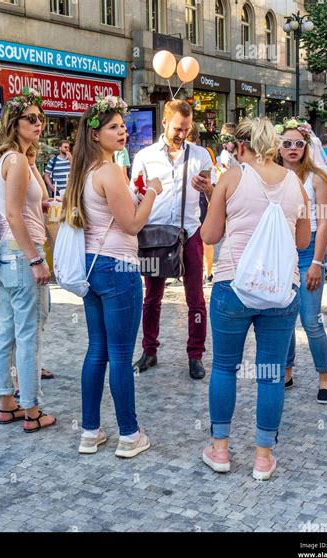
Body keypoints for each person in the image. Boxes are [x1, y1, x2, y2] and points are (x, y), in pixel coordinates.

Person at [201, 117, 311, 480]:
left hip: (233, 285)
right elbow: (302, 242)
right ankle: (263, 457)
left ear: (242, 146)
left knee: (224, 367)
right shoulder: (295, 182)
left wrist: (214, 200)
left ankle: (219, 450)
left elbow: (210, 234)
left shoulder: (232, 177)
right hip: (281, 289)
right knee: (271, 372)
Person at [60, 95, 162, 458]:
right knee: (120, 355)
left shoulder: (83, 172)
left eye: (122, 126)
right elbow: (132, 225)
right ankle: (130, 435)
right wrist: (151, 193)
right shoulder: (108, 172)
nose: (122, 131)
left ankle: (90, 431)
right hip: (118, 267)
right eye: (113, 127)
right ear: (95, 135)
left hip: (91, 266)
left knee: (97, 350)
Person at [0, 87, 56, 433]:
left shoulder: (4, 160)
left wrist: (33, 159)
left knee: (7, 329)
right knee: (28, 335)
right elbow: (14, 214)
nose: (39, 123)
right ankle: (32, 409)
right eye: (31, 118)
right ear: (14, 122)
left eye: (42, 118)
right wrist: (36, 259)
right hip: (21, 253)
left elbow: (42, 198)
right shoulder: (16, 161)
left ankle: (6, 402)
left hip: (6, 256)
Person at [131, 99, 217, 380]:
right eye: (178, 128)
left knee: (196, 299)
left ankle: (195, 355)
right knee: (152, 297)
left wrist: (208, 189)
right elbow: (136, 194)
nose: (182, 134)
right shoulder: (144, 156)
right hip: (155, 234)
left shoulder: (201, 155)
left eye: (187, 129)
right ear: (165, 123)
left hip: (189, 233)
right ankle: (149, 350)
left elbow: (215, 198)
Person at [277, 119, 327, 404]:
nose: (292, 148)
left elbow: (324, 223)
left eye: (298, 143)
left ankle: (324, 376)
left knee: (311, 319)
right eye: (286, 143)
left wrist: (316, 262)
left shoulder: (318, 178)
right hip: (281, 252)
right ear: (278, 146)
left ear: (306, 146)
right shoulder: (273, 176)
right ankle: (287, 371)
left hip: (309, 249)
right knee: (283, 317)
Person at [186, 122, 216, 286]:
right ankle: (208, 272)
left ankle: (178, 270)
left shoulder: (202, 153)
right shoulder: (205, 152)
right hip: (203, 199)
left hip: (196, 200)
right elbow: (212, 181)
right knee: (205, 239)